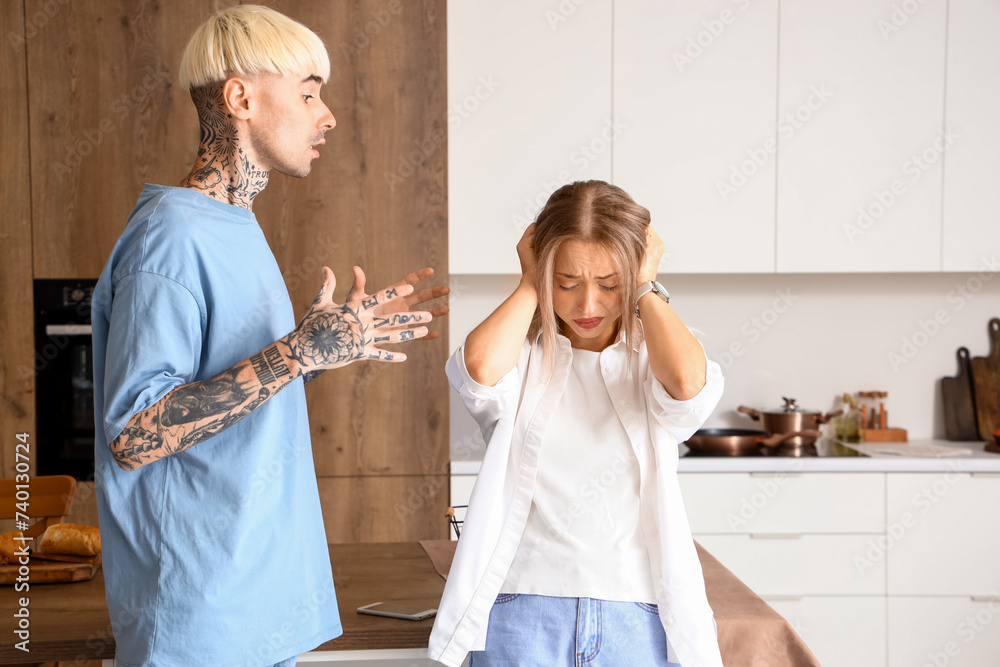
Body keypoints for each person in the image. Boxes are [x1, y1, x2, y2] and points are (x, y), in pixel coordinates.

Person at [91, 6, 447, 666]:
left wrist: (320, 353)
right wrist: (298, 352)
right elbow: (135, 435)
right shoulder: (170, 236)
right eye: (308, 93)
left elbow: (239, 389)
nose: (327, 115)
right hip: (201, 625)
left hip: (257, 610)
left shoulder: (235, 224)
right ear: (241, 99)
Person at [428, 180, 724, 667]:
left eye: (610, 284)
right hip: (521, 607)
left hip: (638, 612)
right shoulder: (522, 357)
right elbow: (478, 372)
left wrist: (646, 286)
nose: (588, 306)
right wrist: (530, 281)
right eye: (566, 283)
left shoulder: (652, 358)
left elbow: (688, 385)